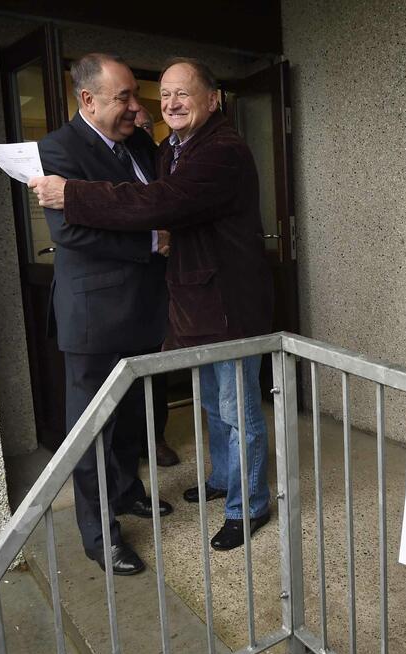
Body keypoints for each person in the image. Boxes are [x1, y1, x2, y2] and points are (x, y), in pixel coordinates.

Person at [31, 57, 274, 552]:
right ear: (88, 100)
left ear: (214, 99)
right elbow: (88, 227)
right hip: (177, 308)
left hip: (228, 304)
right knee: (210, 403)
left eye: (181, 93)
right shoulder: (165, 146)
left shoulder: (220, 150)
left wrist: (72, 194)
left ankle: (249, 504)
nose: (165, 104)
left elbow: (160, 202)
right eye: (162, 95)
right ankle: (219, 482)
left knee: (236, 407)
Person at [38, 53, 173, 575]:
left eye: (135, 98)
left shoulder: (138, 142)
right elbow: (71, 231)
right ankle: (100, 537)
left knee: (132, 414)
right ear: (87, 100)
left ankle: (127, 491)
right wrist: (150, 240)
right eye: (124, 98)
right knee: (92, 427)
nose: (135, 109)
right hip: (93, 315)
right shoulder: (57, 149)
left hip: (144, 307)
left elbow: (157, 199)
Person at [133, 105, 180, 469]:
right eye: (135, 125)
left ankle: (157, 436)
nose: (140, 129)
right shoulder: (117, 160)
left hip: (164, 275)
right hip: (125, 274)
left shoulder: (164, 158)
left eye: (147, 125)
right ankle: (131, 444)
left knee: (157, 364)